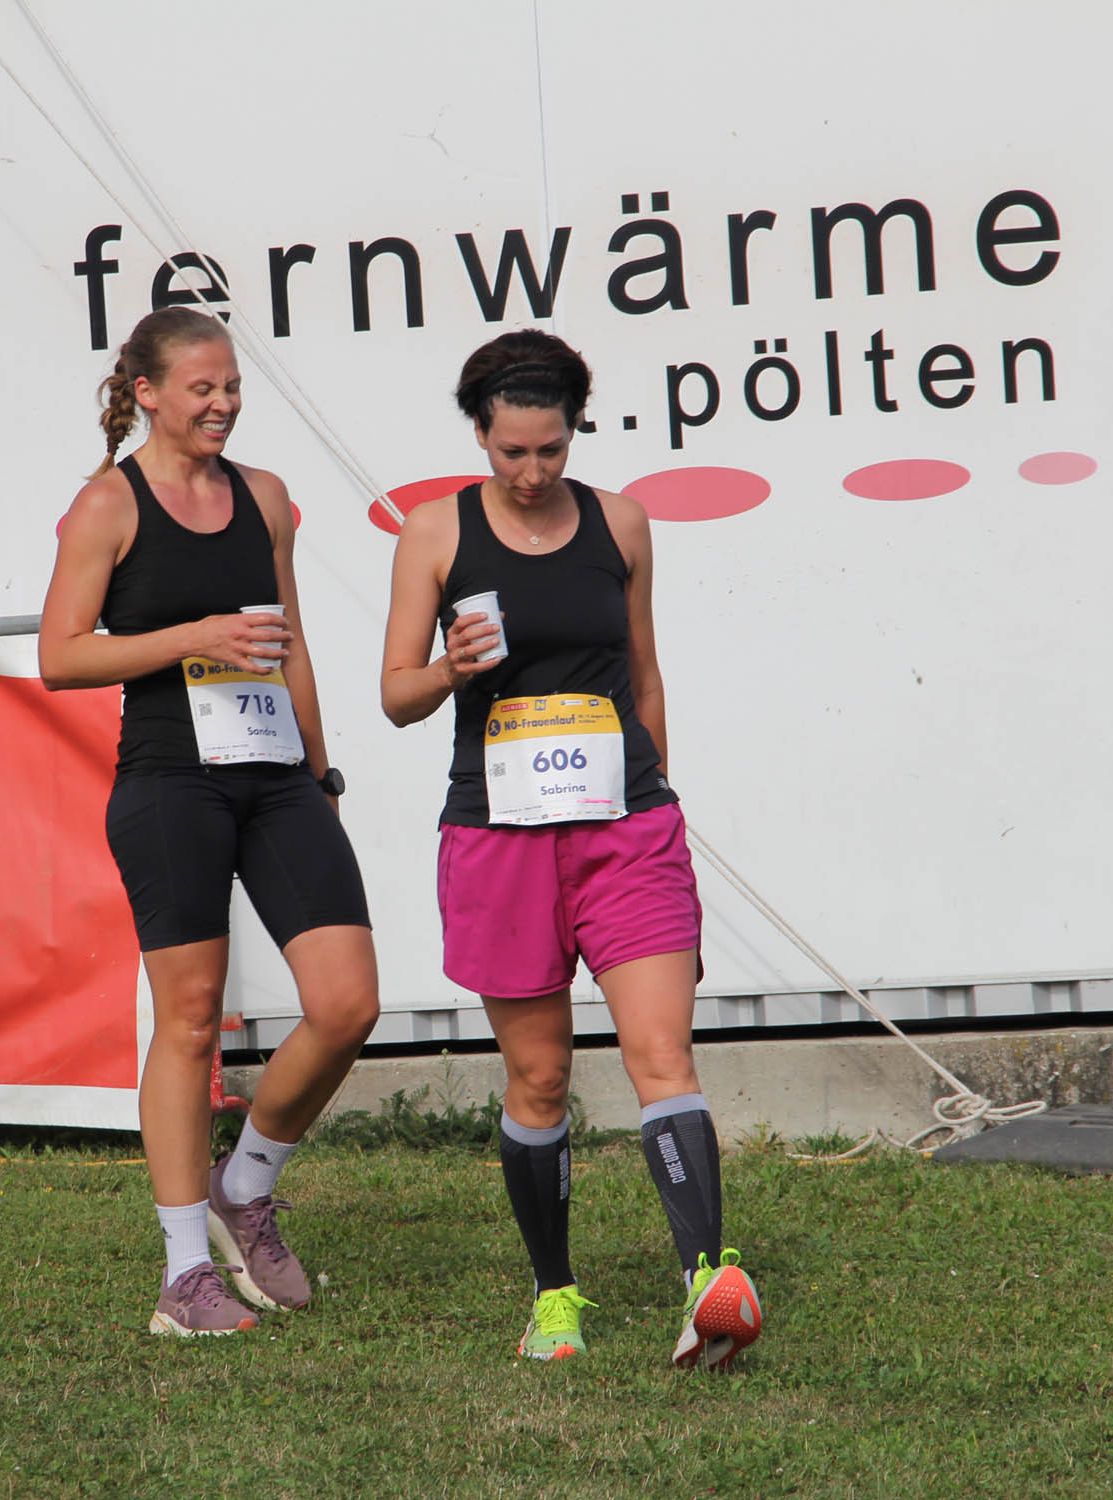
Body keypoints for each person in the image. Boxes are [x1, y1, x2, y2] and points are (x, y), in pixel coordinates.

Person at [379, 328, 762, 1369]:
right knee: (540, 1078)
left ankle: (707, 1287)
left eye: (552, 448)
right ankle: (555, 1300)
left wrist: (658, 799)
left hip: (625, 829)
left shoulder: (622, 522)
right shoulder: (434, 532)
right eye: (513, 451)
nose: (534, 471)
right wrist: (450, 669)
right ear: (480, 435)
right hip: (498, 838)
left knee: (661, 1053)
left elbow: (644, 675)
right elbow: (396, 697)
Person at [40, 307, 379, 1338]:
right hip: (169, 783)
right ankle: (185, 1272)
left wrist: (318, 773)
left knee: (348, 1004)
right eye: (203, 388)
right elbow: (61, 655)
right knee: (189, 1021)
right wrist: (192, 636)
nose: (224, 404)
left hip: (276, 777)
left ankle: (248, 1185)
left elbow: (289, 644)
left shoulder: (264, 498)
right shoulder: (108, 504)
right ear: (147, 393)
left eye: (232, 386)